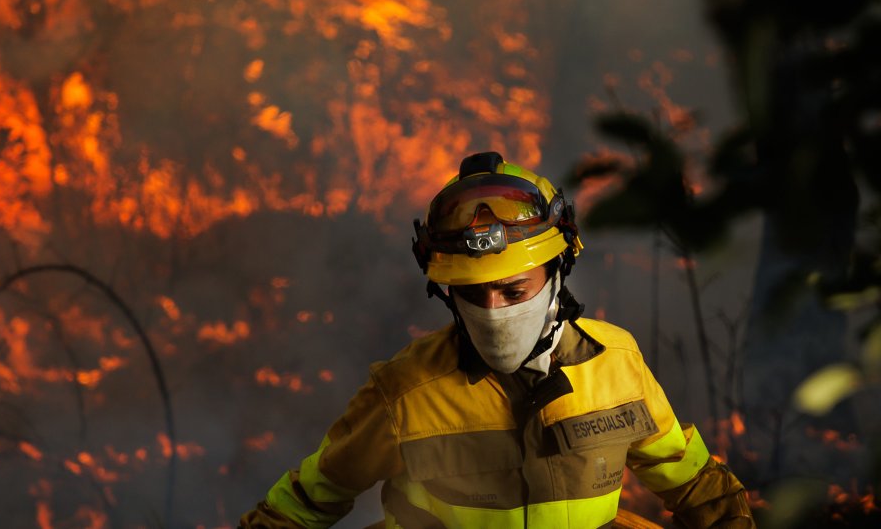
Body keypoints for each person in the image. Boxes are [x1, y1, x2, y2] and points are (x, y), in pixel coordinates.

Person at [240, 152, 754, 528]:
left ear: (559, 273)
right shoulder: (406, 392)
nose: (494, 312)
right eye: (472, 293)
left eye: (514, 290)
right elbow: (311, 498)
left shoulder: (616, 366)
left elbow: (692, 483)